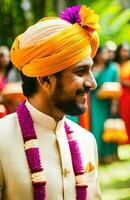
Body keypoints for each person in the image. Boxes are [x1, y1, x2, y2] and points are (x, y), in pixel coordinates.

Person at [0, 5, 102, 199]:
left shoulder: (86, 141)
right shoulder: (1, 140)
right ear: (45, 79)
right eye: (81, 72)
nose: (92, 83)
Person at [90, 47, 119, 164]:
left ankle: (109, 154)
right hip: (93, 101)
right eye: (102, 53)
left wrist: (114, 104)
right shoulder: (92, 67)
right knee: (95, 127)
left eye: (107, 53)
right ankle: (98, 155)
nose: (104, 55)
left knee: (106, 127)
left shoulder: (112, 68)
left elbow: (116, 87)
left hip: (106, 103)